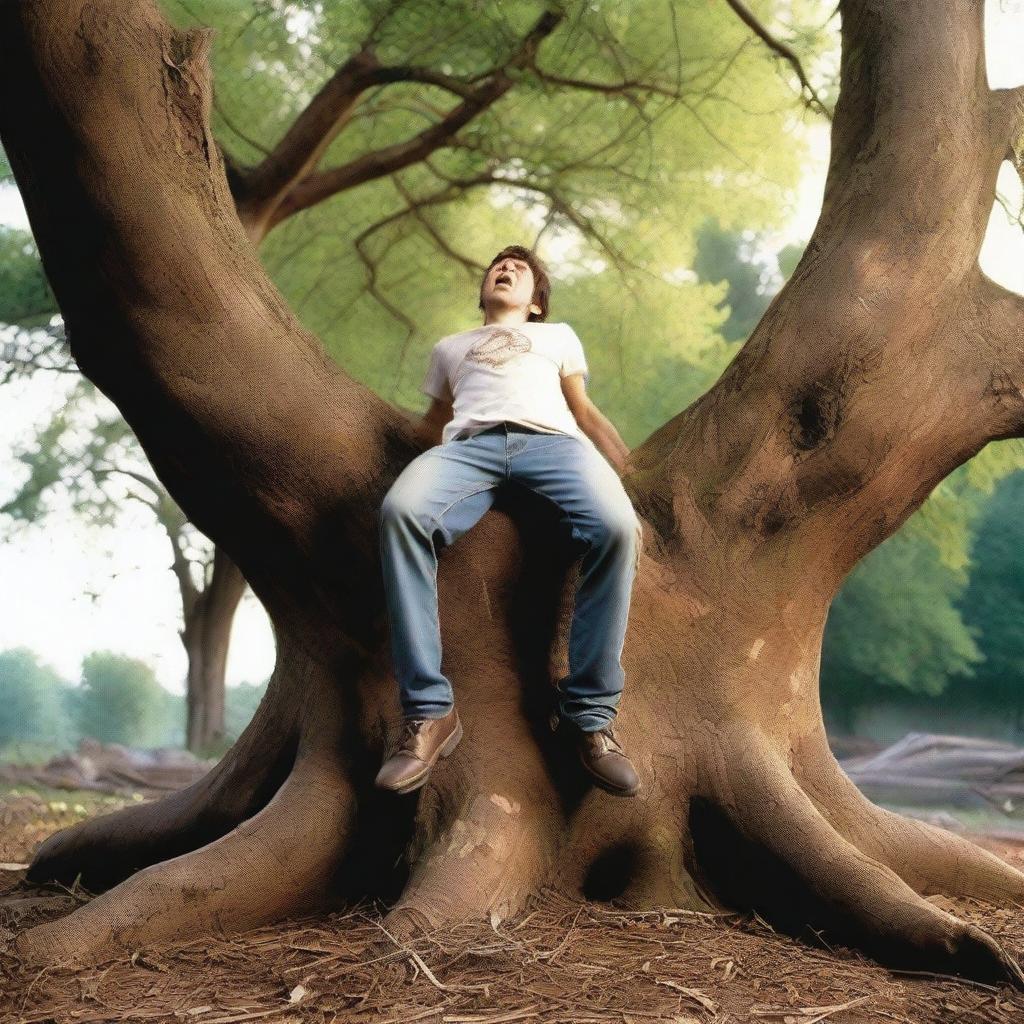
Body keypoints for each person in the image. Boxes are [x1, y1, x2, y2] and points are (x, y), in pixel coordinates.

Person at [376, 244, 643, 798]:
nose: (505, 269)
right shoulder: (450, 348)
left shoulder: (556, 337)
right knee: (401, 513)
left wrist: (627, 468)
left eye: (520, 269)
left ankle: (589, 718)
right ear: (482, 290)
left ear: (537, 303)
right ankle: (429, 712)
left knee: (617, 529)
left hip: (553, 447)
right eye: (498, 265)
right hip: (469, 449)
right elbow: (432, 425)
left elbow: (583, 409)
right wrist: (416, 474)